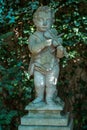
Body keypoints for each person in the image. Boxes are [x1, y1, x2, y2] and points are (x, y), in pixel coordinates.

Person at [28, 6, 66, 106]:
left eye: (48, 20)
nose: (44, 23)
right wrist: (44, 44)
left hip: (52, 66)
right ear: (35, 21)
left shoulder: (54, 35)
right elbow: (33, 49)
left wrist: (60, 49)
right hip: (38, 66)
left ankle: (49, 99)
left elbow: (59, 56)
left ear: (52, 21)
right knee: (38, 84)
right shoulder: (34, 36)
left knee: (51, 84)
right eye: (41, 20)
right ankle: (39, 97)